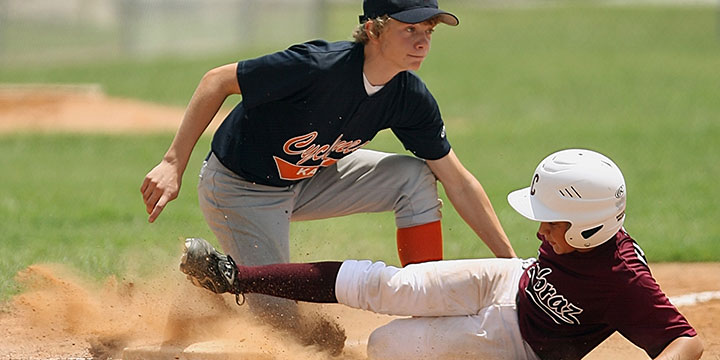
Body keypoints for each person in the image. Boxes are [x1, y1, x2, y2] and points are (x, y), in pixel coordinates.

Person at [141, 0, 516, 350]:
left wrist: (513, 267)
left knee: (414, 176)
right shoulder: (317, 66)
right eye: (409, 30)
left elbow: (458, 181)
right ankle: (209, 288)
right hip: (241, 189)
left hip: (309, 178)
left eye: (428, 32)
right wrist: (173, 163)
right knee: (285, 330)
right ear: (373, 29)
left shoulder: (408, 96)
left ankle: (427, 301)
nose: (422, 43)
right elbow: (216, 81)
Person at [179, 149, 704, 359]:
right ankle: (233, 275)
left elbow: (687, 342)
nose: (542, 228)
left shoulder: (624, 280)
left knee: (387, 344)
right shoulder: (570, 239)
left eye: (553, 220)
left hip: (520, 343)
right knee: (390, 284)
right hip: (510, 281)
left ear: (590, 226)